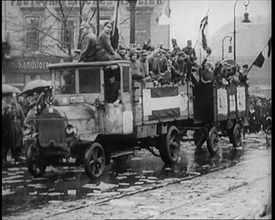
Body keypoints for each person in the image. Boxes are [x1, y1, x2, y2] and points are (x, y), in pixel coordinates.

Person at [3, 92, 25, 162]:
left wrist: (22, 126)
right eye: (13, 98)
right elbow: (5, 118)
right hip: (11, 125)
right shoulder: (7, 107)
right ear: (10, 99)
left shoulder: (18, 106)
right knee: (11, 141)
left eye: (15, 98)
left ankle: (17, 156)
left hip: (18, 125)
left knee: (18, 141)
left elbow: (22, 117)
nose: (14, 99)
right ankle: (7, 156)